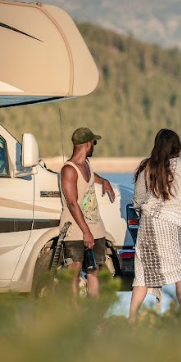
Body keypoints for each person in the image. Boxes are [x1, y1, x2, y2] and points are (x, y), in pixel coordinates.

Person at [129, 129, 181, 322]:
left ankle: (131, 319)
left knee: (142, 275)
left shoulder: (148, 168)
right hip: (177, 227)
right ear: (178, 146)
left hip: (149, 226)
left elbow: (138, 199)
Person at [59, 126, 116, 298]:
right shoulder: (68, 169)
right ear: (87, 144)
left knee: (94, 271)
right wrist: (86, 232)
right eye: (94, 142)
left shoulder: (86, 165)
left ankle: (93, 314)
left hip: (96, 227)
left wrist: (103, 180)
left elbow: (90, 176)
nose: (94, 145)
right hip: (77, 230)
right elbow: (72, 203)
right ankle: (75, 315)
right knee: (74, 273)